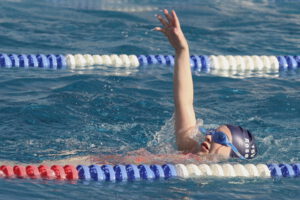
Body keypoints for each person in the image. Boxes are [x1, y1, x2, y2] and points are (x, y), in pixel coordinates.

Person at [37, 9, 257, 166]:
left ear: (234, 153)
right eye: (212, 132)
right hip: (100, 162)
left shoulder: (199, 167)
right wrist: (182, 50)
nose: (208, 137)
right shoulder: (188, 146)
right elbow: (184, 101)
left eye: (218, 139)